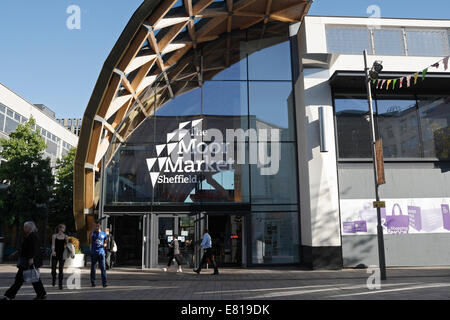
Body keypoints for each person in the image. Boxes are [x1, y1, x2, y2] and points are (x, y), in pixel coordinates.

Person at [2, 221, 47, 300]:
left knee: (20, 280)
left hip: (27, 262)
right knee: (34, 278)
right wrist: (15, 253)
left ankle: (9, 296)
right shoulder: (30, 235)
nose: (24, 228)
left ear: (30, 227)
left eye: (25, 227)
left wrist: (31, 258)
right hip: (26, 261)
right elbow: (25, 247)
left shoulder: (32, 236)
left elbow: (34, 249)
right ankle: (42, 294)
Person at [90, 222, 108, 288]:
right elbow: (90, 241)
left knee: (103, 268)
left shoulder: (104, 234)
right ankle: (93, 283)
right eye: (96, 226)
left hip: (101, 253)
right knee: (93, 269)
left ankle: (104, 283)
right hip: (94, 253)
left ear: (100, 226)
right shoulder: (93, 233)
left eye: (98, 225)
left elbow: (106, 242)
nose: (97, 227)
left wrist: (105, 244)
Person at [51, 224, 68, 289]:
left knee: (61, 269)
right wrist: (53, 251)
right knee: (53, 269)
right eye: (62, 228)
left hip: (62, 254)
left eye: (64, 228)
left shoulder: (66, 236)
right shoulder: (54, 236)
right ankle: (54, 278)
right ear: (59, 228)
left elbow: (66, 246)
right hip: (55, 253)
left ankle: (60, 284)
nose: (63, 229)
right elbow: (53, 245)